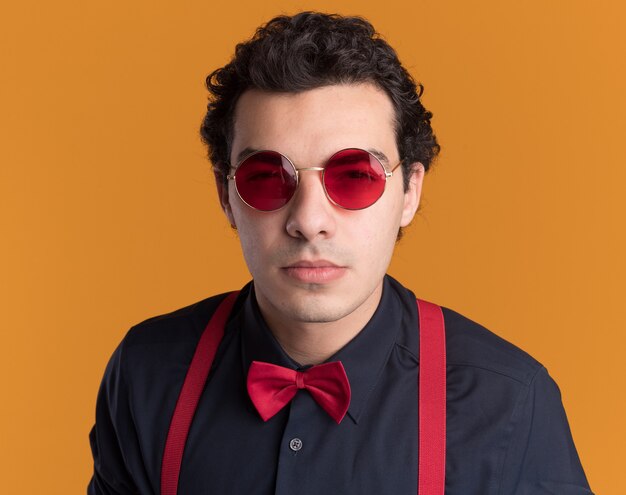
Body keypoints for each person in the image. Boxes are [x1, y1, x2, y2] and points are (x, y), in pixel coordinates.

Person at [88, 11, 593, 495]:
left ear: (409, 194)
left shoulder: (508, 403)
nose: (309, 220)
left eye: (354, 176)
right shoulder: (146, 375)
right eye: (266, 178)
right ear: (226, 196)